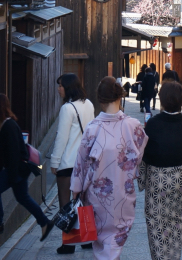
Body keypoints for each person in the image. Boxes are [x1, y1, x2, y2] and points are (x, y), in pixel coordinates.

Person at [72, 77, 148, 259]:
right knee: (115, 241)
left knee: (102, 242)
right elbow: (139, 154)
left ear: (100, 99)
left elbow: (80, 165)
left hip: (97, 194)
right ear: (120, 97)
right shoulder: (134, 126)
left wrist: (75, 190)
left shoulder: (93, 128)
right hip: (123, 191)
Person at [0, 93, 52, 240]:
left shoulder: (9, 126)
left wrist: (10, 177)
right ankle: (44, 222)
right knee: (22, 197)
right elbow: (0, 153)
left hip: (18, 168)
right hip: (16, 169)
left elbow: (13, 155)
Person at [139, 82, 182, 260]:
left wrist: (142, 177)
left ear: (161, 100)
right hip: (178, 179)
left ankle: (160, 257)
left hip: (157, 180)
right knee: (175, 220)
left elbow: (145, 153)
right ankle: (173, 256)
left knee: (156, 222)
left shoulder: (154, 123)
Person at [49, 74, 95, 255]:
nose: (59, 89)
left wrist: (54, 161)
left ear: (68, 87)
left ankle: (68, 244)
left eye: (60, 86)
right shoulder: (89, 104)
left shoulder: (67, 109)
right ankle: (87, 239)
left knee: (65, 203)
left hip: (68, 161)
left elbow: (62, 137)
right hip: (84, 161)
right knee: (84, 202)